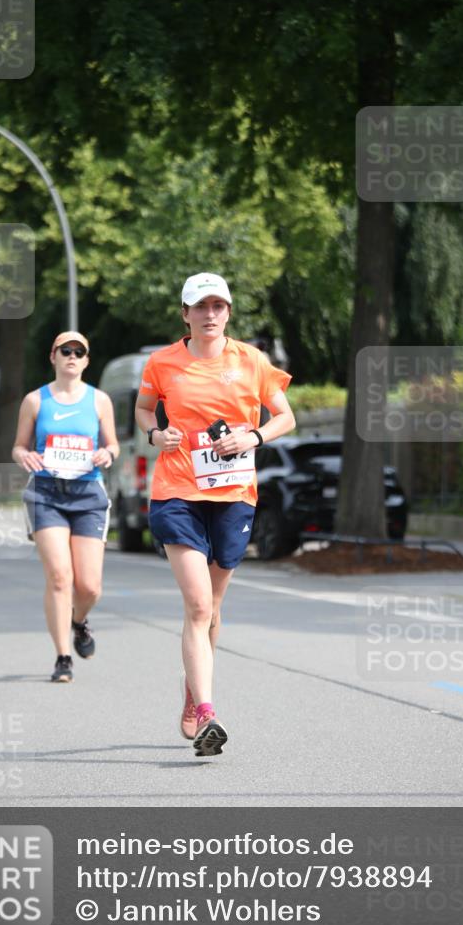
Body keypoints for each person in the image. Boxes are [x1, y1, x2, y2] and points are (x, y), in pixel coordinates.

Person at [135, 273, 295, 756]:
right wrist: (155, 434)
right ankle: (207, 712)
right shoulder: (163, 362)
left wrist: (254, 436)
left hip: (234, 494)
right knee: (199, 606)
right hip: (177, 491)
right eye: (199, 306)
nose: (209, 314)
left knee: (214, 609)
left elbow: (285, 416)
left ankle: (191, 691)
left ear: (228, 312)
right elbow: (145, 410)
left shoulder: (251, 360)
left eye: (217, 306)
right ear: (184, 313)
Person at [12, 331, 119, 683]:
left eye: (79, 351)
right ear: (53, 356)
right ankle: (63, 657)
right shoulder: (35, 401)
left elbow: (113, 445)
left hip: (88, 494)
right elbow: (18, 447)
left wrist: (108, 453)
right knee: (60, 576)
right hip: (46, 494)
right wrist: (25, 456)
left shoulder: (99, 400)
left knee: (89, 587)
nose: (72, 356)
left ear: (87, 360)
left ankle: (79, 621)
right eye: (65, 350)